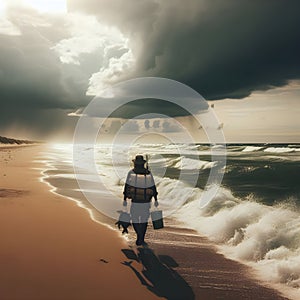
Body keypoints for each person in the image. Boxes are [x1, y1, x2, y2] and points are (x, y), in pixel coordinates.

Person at [123, 155, 158, 246]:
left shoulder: (131, 172)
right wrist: (156, 199)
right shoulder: (148, 173)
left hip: (135, 201)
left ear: (135, 163)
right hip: (146, 201)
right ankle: (141, 237)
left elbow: (127, 186)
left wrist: (125, 198)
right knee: (144, 220)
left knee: (134, 219)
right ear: (143, 164)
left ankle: (139, 234)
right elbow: (153, 186)